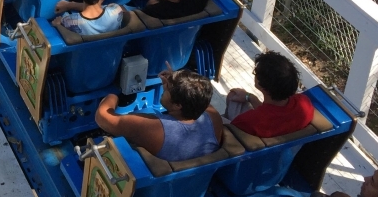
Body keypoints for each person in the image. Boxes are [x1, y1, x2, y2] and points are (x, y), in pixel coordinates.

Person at [94, 66, 223, 162]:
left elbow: (102, 117)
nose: (164, 88)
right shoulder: (214, 118)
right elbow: (195, 95)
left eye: (167, 90)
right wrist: (178, 83)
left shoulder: (154, 129)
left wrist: (113, 96)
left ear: (178, 105)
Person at [226, 51, 314, 138]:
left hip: (239, 138)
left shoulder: (247, 121)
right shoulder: (304, 103)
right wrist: (250, 97)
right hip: (279, 142)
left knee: (232, 97)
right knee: (233, 97)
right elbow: (274, 115)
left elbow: (229, 136)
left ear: (264, 89)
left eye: (256, 73)